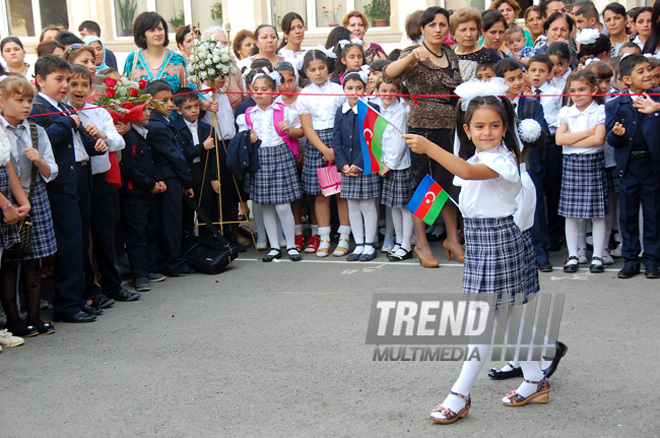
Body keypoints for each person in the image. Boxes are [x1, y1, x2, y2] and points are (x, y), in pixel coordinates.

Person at [403, 85, 546, 424]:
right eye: (479, 126)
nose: (487, 132)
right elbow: (468, 182)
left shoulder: (502, 160)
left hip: (499, 241)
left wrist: (429, 148)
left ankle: (460, 394)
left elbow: (467, 175)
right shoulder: (477, 157)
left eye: (494, 125)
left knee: (485, 320)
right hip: (483, 240)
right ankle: (535, 377)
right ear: (467, 130)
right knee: (507, 316)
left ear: (505, 128)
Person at [29, 55, 107, 323]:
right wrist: (68, 123)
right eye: (59, 80)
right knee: (69, 243)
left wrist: (94, 140)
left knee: (79, 241)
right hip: (59, 184)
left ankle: (76, 298)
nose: (65, 86)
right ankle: (66, 303)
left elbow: (78, 138)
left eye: (67, 80)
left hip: (78, 178)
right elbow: (43, 141)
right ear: (40, 80)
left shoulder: (62, 107)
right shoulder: (38, 108)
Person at [383, 6, 464, 267]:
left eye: (443, 24)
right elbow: (389, 73)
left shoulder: (451, 54)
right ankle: (421, 243)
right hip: (423, 128)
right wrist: (410, 58)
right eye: (433, 25)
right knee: (425, 186)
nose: (438, 29)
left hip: (450, 127)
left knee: (449, 184)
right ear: (423, 28)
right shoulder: (414, 53)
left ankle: (453, 240)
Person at [68, 65, 139, 303]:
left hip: (100, 180)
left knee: (104, 233)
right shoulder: (63, 112)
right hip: (76, 179)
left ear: (91, 88)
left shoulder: (98, 111)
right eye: (74, 84)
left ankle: (112, 285)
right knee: (82, 237)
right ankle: (90, 288)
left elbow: (118, 141)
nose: (79, 90)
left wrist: (102, 137)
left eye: (84, 85)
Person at [0, 76, 52, 337]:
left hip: (34, 196)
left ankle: (34, 316)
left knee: (34, 260)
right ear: (2, 101)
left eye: (29, 100)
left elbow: (51, 171)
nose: (26, 105)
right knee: (10, 261)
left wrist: (39, 160)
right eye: (18, 100)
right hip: (7, 199)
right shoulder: (1, 131)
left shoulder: (36, 131)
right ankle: (13, 320)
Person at [237, 70, 303, 262]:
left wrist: (289, 130)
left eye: (264, 89)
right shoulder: (248, 115)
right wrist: (248, 139)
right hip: (260, 159)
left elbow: (300, 132)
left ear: (274, 91)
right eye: (255, 89)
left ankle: (290, 244)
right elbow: (241, 137)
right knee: (266, 205)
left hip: (280, 156)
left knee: (283, 205)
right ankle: (274, 246)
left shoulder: (285, 111)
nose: (259, 93)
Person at [605, 54, 660, 279]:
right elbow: (611, 137)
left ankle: (653, 259)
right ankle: (630, 259)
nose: (648, 74)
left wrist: (655, 110)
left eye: (649, 70)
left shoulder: (657, 99)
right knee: (627, 215)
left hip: (653, 165)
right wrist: (617, 135)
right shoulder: (616, 105)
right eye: (641, 71)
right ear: (626, 79)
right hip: (628, 166)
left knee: (653, 213)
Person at [495, 58, 552, 274]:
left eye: (520, 76)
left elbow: (542, 134)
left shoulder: (531, 104)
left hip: (528, 164)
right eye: (511, 79)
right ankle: (511, 253)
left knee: (534, 208)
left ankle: (539, 250)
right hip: (503, 166)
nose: (518, 82)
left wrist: (532, 131)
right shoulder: (494, 106)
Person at [298, 49, 351, 257]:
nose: (318, 73)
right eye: (312, 69)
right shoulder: (304, 94)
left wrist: (336, 150)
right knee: (322, 194)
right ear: (306, 72)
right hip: (317, 145)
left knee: (341, 193)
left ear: (328, 67)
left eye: (321, 68)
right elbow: (307, 128)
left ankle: (345, 237)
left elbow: (345, 120)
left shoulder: (338, 90)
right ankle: (324, 238)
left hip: (339, 141)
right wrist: (325, 151)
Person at [555, 69, 607, 273]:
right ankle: (573, 254)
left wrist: (573, 137)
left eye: (582, 89)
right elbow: (560, 140)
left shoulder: (599, 111)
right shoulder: (566, 112)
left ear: (593, 90)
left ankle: (597, 255)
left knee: (597, 212)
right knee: (571, 213)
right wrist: (587, 132)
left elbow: (598, 139)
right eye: (573, 90)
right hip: (571, 162)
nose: (577, 94)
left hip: (593, 161)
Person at [143, 80, 194, 276]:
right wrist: (186, 181)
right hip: (168, 178)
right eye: (164, 100)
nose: (171, 104)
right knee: (170, 223)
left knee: (172, 221)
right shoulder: (156, 126)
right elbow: (175, 155)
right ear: (151, 102)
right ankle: (175, 263)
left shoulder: (163, 121)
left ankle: (173, 260)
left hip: (171, 177)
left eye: (171, 100)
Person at [116, 104, 165, 292]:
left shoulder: (143, 133)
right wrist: (149, 183)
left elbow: (150, 162)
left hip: (148, 191)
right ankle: (140, 274)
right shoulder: (128, 137)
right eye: (143, 110)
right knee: (136, 234)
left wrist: (157, 181)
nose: (148, 113)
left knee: (150, 230)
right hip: (134, 193)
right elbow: (129, 169)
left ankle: (151, 267)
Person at [332, 70, 380, 261]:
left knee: (367, 205)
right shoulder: (340, 110)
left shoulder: (372, 108)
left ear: (365, 88)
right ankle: (358, 243)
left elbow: (373, 139)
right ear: (344, 89)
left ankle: (369, 243)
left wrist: (358, 164)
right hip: (346, 167)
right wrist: (343, 164)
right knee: (352, 205)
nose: (354, 92)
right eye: (350, 88)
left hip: (365, 166)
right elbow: (336, 139)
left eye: (359, 88)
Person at [525, 54, 562, 271]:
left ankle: (550, 237)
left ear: (549, 74)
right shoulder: (523, 97)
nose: (536, 75)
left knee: (551, 189)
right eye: (533, 70)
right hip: (527, 152)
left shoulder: (556, 93)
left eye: (541, 71)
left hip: (552, 142)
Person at [275, 62, 314, 252]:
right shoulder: (275, 99)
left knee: (312, 194)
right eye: (282, 81)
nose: (287, 85)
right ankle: (297, 232)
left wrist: (305, 152)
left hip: (309, 148)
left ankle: (315, 231)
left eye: (291, 80)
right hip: (286, 154)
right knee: (294, 196)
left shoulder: (304, 95)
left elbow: (309, 126)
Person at [376, 76, 413, 261]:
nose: (388, 94)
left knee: (404, 206)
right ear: (378, 92)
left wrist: (389, 164)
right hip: (385, 165)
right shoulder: (380, 110)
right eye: (383, 91)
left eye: (392, 90)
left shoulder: (400, 112)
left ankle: (406, 244)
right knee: (393, 206)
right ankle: (399, 241)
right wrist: (381, 162)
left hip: (398, 165)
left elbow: (400, 142)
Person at [173, 88, 216, 238]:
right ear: (179, 110)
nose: (194, 111)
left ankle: (207, 243)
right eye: (188, 108)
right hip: (187, 173)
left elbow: (213, 157)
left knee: (206, 209)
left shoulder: (207, 128)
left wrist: (214, 178)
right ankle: (189, 243)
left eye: (196, 106)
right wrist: (201, 148)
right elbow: (180, 155)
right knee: (187, 211)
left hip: (202, 172)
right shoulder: (175, 129)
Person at [123, 12, 188, 93]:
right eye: (152, 30)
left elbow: (188, 92)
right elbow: (125, 91)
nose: (158, 34)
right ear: (142, 35)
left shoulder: (177, 60)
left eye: (160, 29)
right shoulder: (133, 59)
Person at [450, 7, 498, 81]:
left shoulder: (488, 55)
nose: (469, 34)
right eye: (463, 30)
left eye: (473, 29)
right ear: (453, 34)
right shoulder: (448, 55)